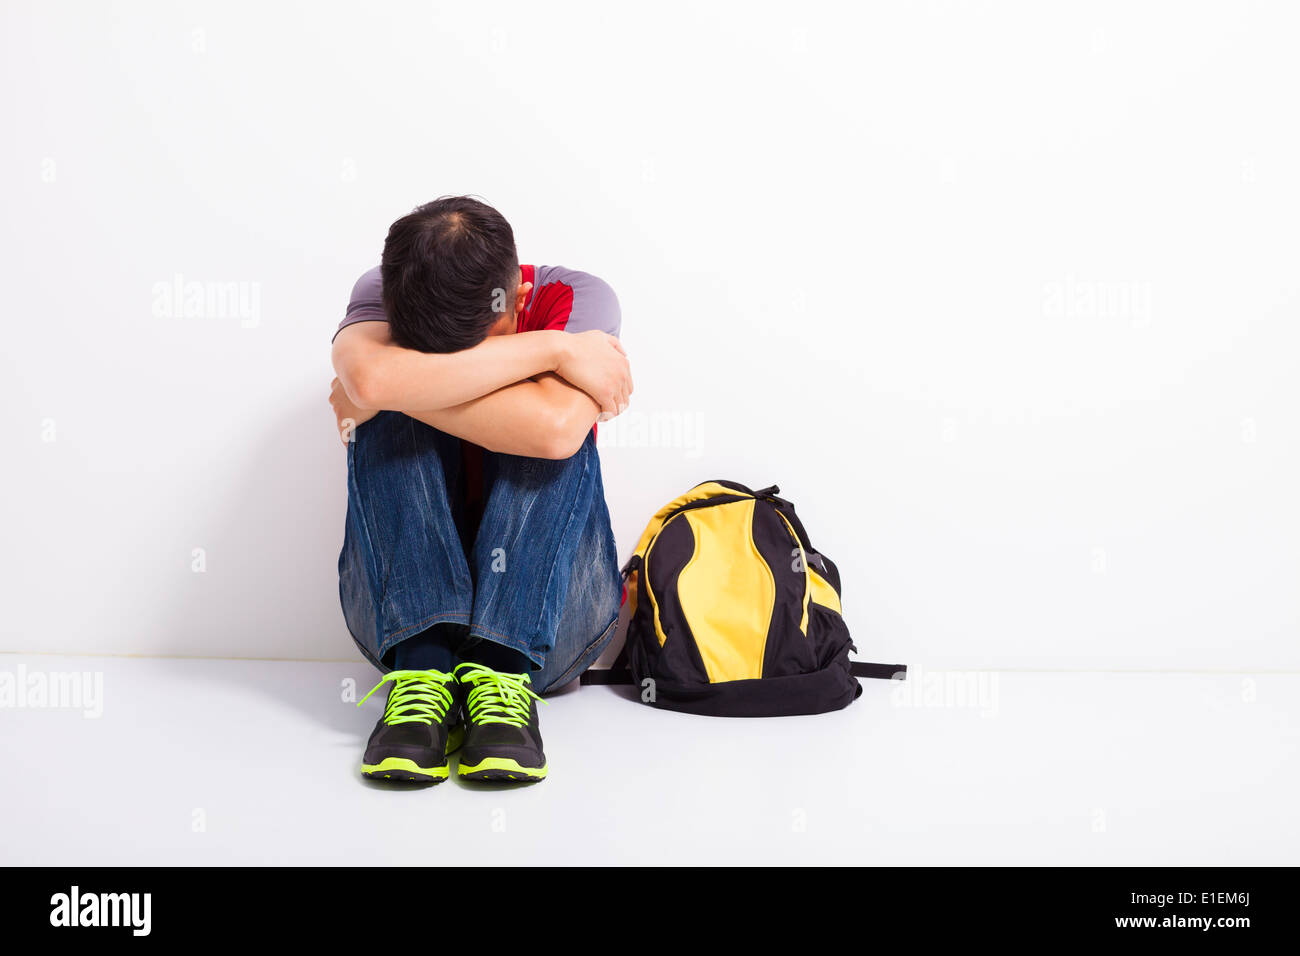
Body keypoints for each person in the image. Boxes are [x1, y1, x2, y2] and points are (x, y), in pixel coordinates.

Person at [328, 196, 632, 784]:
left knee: (547, 436)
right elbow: (366, 379)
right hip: (396, 625)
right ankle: (423, 669)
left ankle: (502, 670)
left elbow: (551, 430)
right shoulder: (390, 287)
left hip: (551, 630)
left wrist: (403, 385)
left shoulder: (579, 298)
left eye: (474, 340)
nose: (455, 358)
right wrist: (552, 351)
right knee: (386, 414)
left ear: (517, 299)